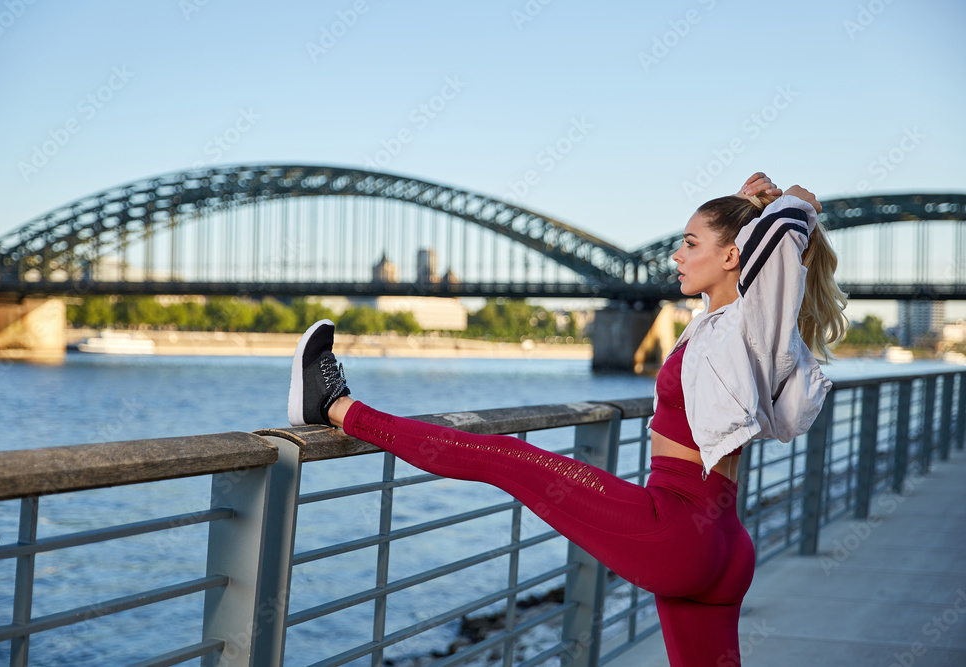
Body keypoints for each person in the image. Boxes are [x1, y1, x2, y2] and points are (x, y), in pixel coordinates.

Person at [286, 173, 849, 666]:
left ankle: (334, 406)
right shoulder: (723, 328)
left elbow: (772, 265)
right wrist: (753, 207)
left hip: (680, 528)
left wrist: (794, 206)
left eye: (689, 242)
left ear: (732, 257)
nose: (676, 255)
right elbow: (753, 262)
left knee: (508, 457)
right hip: (722, 543)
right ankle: (335, 405)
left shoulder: (750, 324)